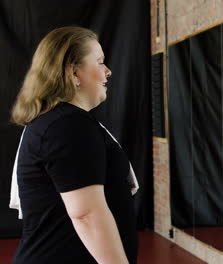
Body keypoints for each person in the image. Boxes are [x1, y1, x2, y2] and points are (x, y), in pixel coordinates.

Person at [10, 26, 138, 264]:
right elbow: (87, 214)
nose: (108, 71)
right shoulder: (67, 125)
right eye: (99, 62)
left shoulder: (60, 121)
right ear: (73, 72)